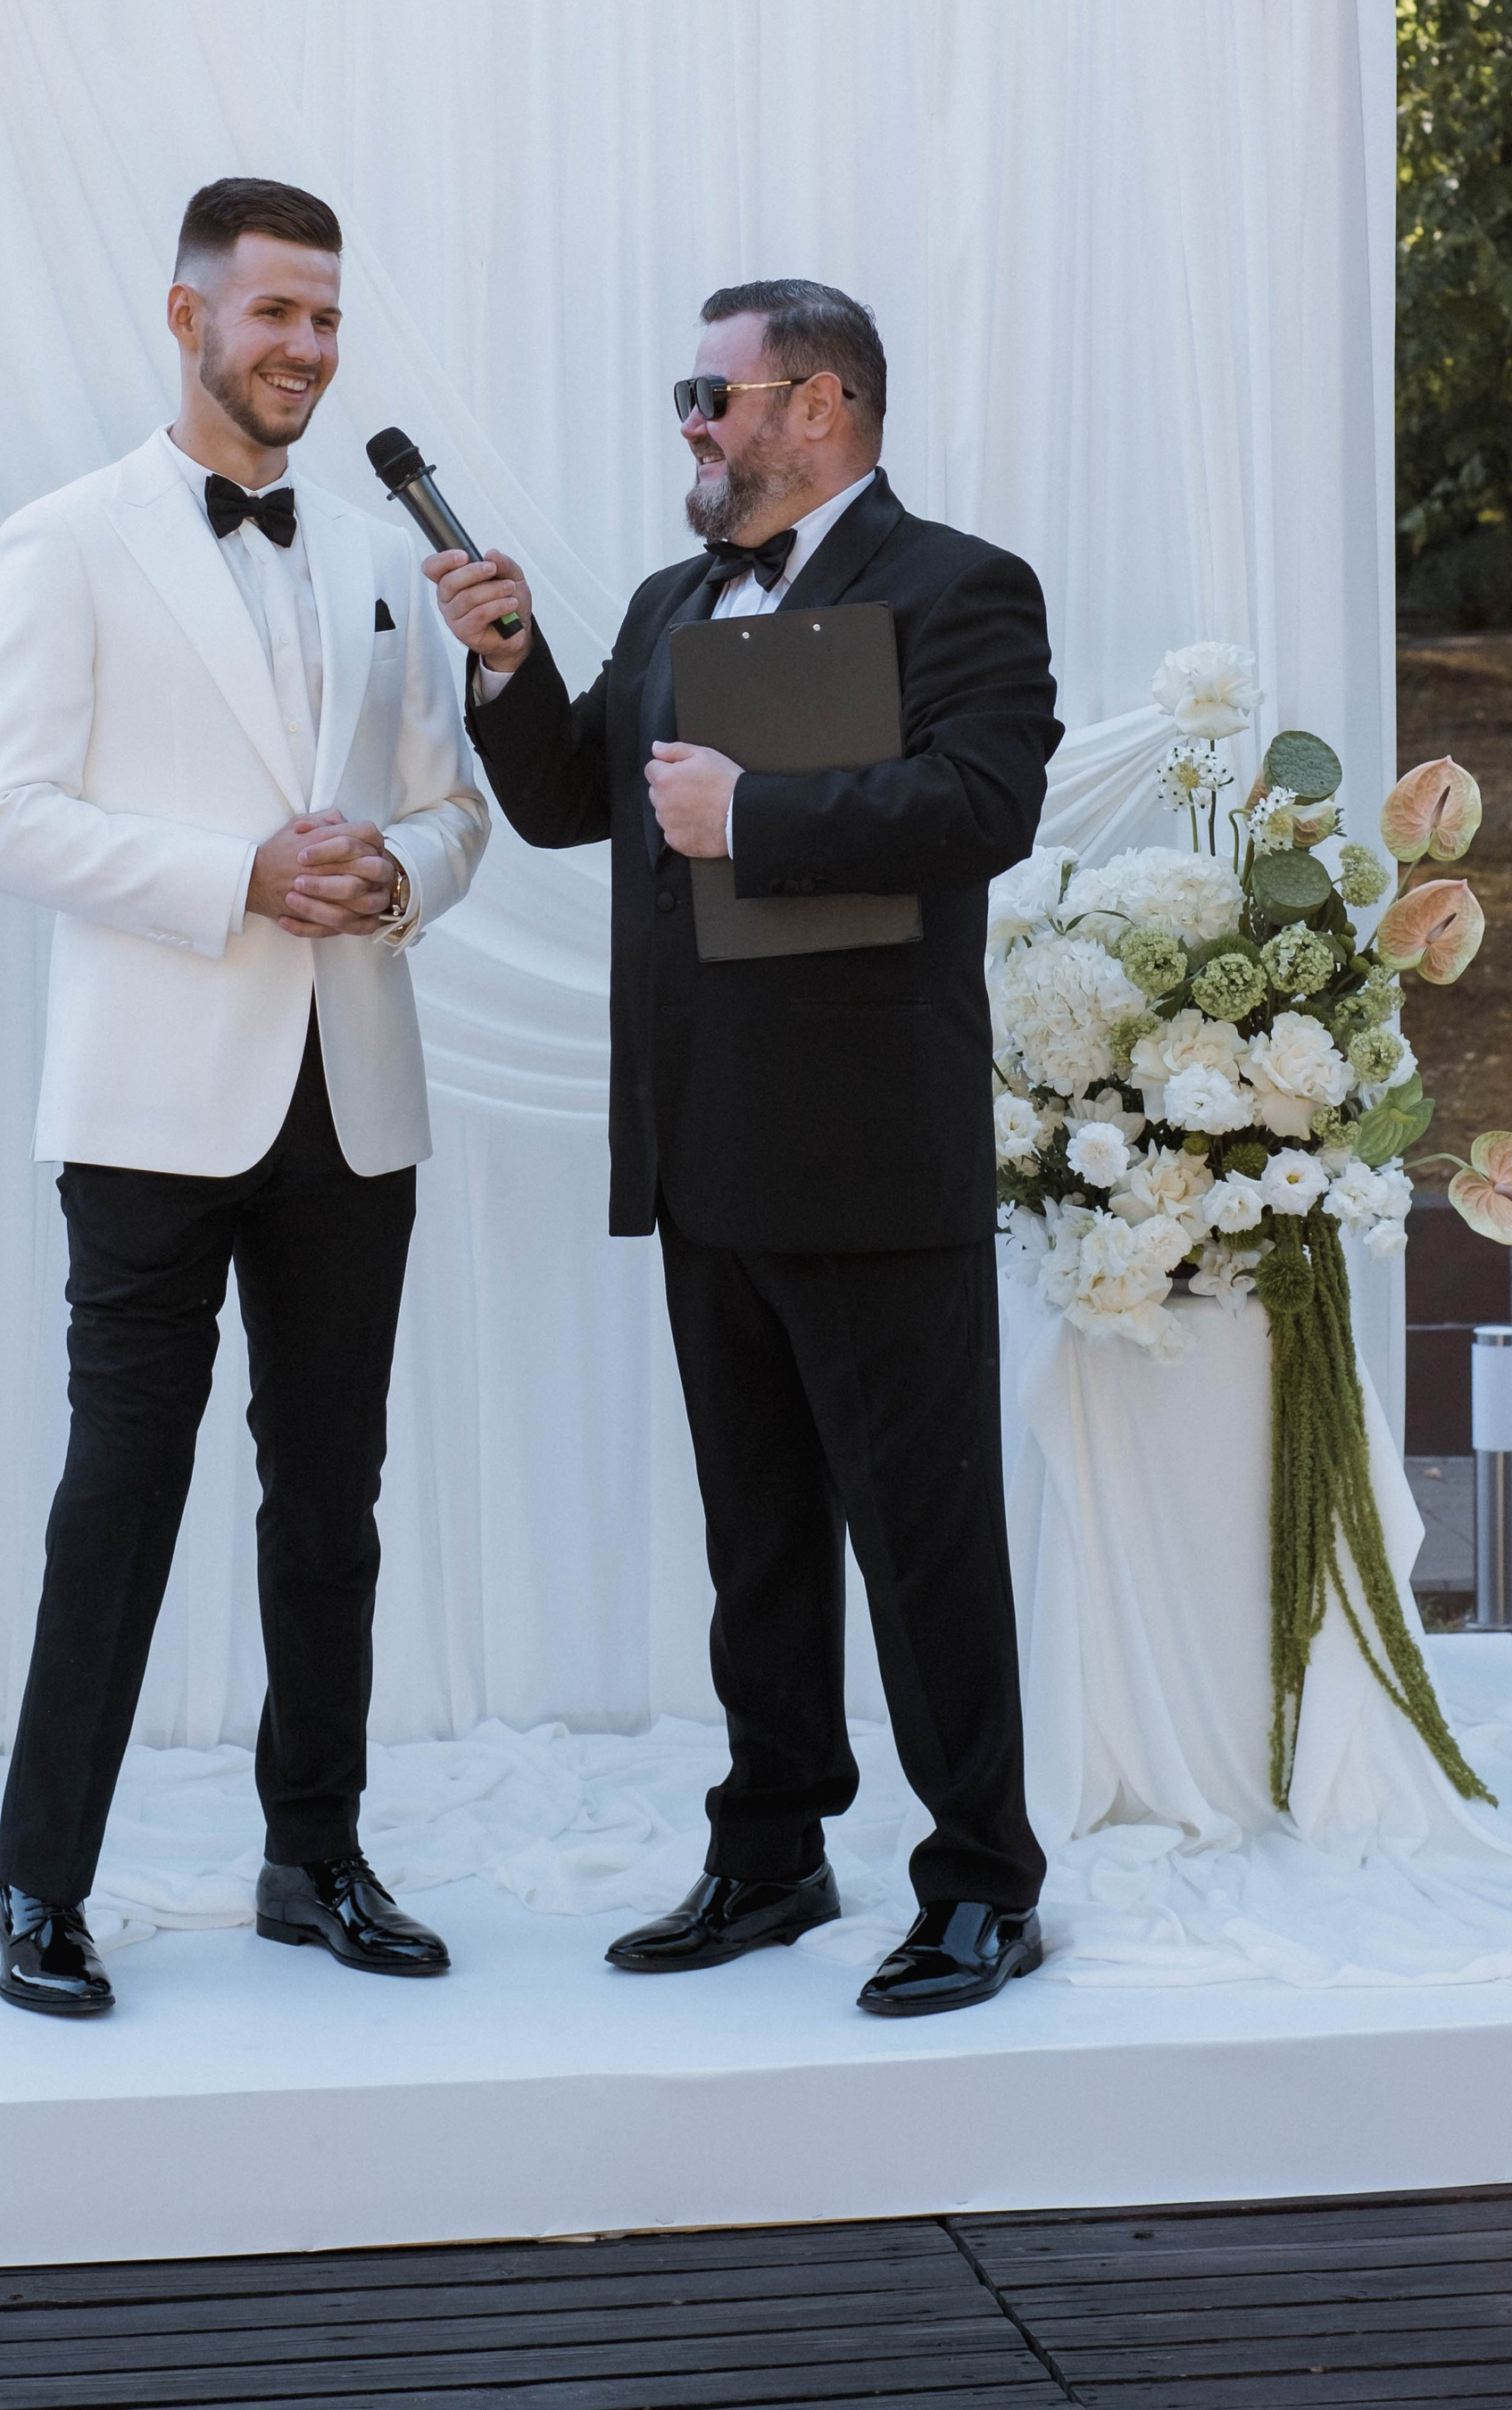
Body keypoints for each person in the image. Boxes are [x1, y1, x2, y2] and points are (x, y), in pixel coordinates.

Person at [428, 279, 1060, 2018]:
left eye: (708, 394)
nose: (688, 425)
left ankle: (980, 1882)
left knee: (922, 1536)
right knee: (757, 1535)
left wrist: (755, 816)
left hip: (870, 1158)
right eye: (684, 397)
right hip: (702, 1151)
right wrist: (510, 666)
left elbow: (983, 808)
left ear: (823, 402)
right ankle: (770, 1847)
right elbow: (570, 798)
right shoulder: (669, 599)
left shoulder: (956, 588)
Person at [0, 177, 489, 2016]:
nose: (307, 351)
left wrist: (394, 875)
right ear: (186, 319)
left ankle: (311, 1851)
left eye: (328, 319)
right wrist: (235, 877)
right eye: (275, 315)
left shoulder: (369, 557)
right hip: (151, 1101)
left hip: (351, 1093)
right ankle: (38, 1885)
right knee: (118, 1493)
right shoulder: (64, 537)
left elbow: (453, 806)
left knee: (329, 1496)